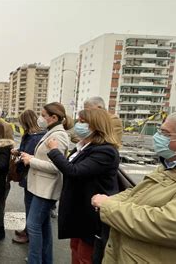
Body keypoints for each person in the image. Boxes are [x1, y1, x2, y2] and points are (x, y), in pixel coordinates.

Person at [91, 112, 176, 263]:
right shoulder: (168, 166)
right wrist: (110, 201)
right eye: (159, 130)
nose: (158, 137)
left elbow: (165, 224)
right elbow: (136, 193)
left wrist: (109, 206)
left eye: (165, 133)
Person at [46, 109, 120, 264]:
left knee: (86, 256)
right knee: (75, 249)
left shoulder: (105, 151)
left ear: (96, 125)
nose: (78, 125)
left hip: (91, 215)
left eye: (82, 121)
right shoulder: (84, 146)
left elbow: (74, 171)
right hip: (79, 210)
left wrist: (54, 151)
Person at [21, 102, 73, 264]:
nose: (40, 118)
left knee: (33, 226)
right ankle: (45, 260)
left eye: (43, 115)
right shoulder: (51, 132)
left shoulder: (59, 135)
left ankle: (35, 261)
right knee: (43, 227)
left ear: (54, 117)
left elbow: (57, 167)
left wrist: (31, 161)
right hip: (40, 187)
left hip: (47, 189)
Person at [11, 110, 46, 244]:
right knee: (29, 204)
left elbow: (29, 155)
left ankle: (29, 234)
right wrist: (18, 151)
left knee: (30, 206)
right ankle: (27, 230)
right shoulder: (34, 135)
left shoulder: (35, 137)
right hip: (30, 175)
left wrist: (19, 155)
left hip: (31, 174)